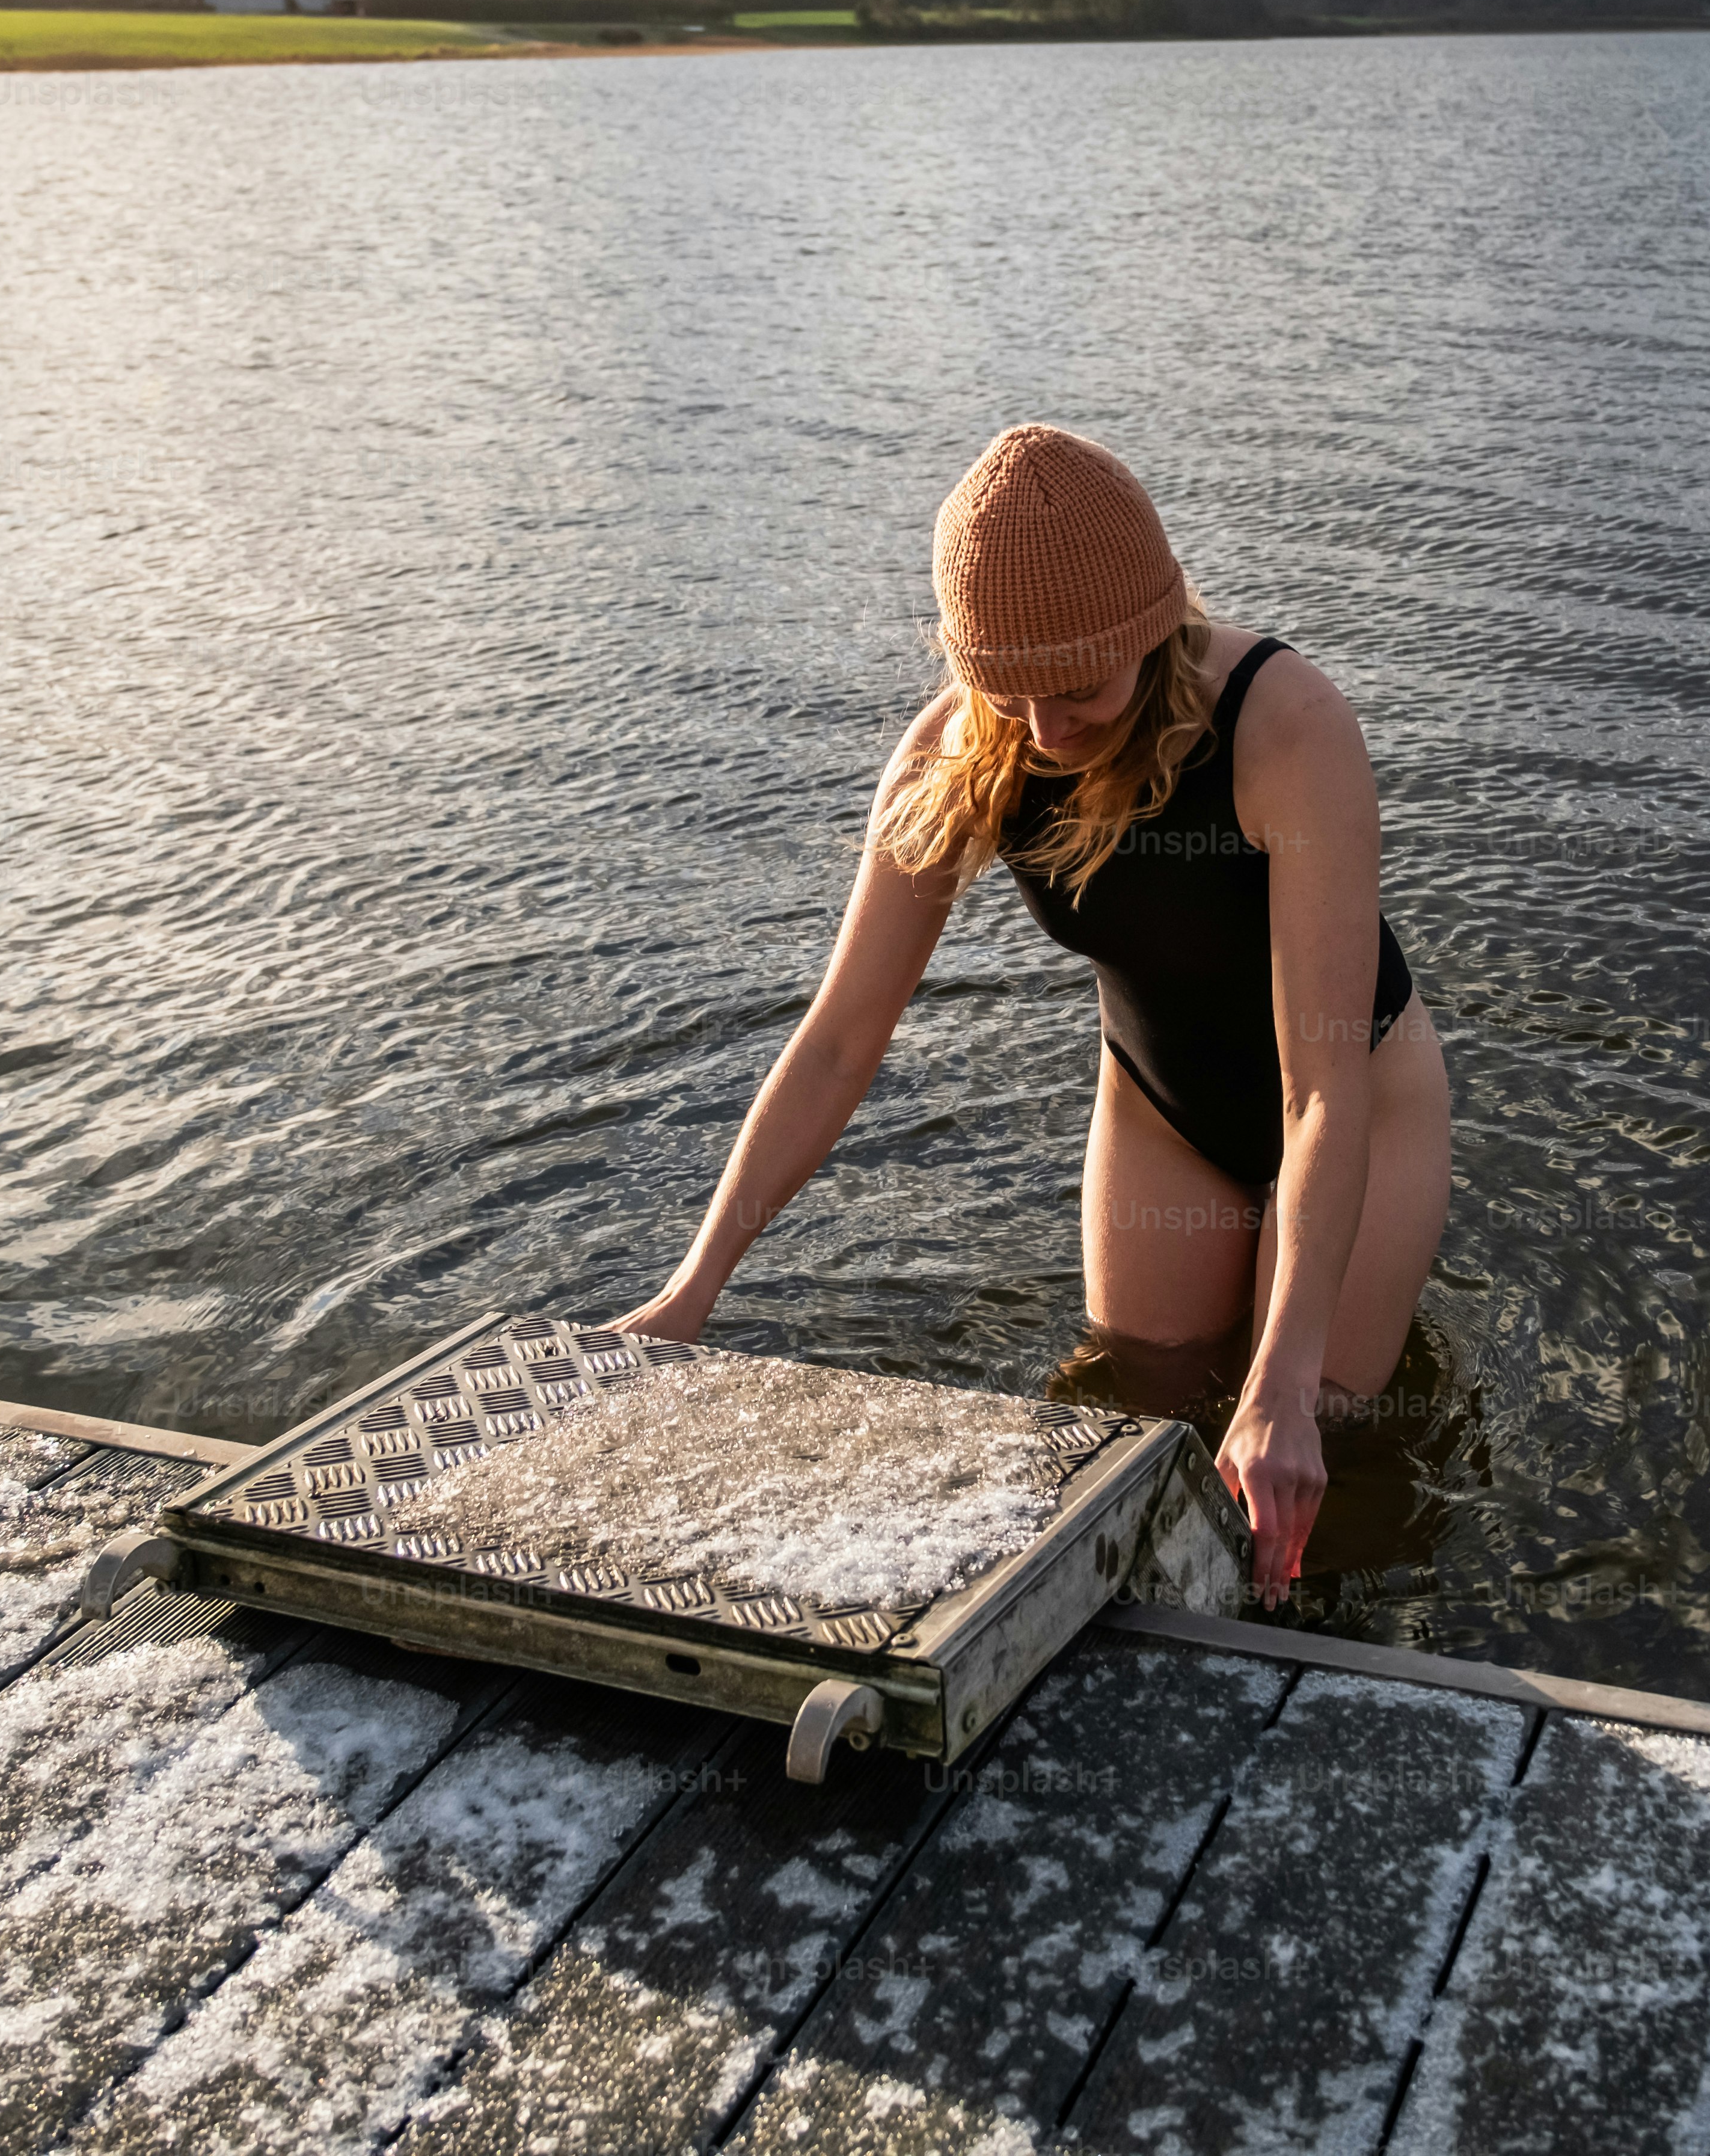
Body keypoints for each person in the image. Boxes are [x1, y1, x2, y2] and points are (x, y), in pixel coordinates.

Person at [614, 423, 1451, 1587]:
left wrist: (1282, 1384)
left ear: (1151, 630)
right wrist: (688, 1293)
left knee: (1310, 1454)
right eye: (1009, 690)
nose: (1046, 729)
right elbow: (842, 1038)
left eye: (1078, 688)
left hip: (1358, 1097)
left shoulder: (1286, 727)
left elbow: (1319, 1089)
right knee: (1140, 1403)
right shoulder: (962, 748)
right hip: (1163, 1108)